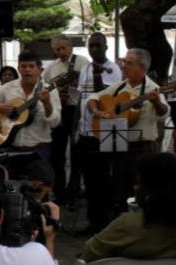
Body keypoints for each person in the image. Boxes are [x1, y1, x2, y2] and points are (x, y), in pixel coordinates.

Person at [87, 48, 169, 214]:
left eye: (129, 64)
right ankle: (119, 220)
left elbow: (163, 114)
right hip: (119, 144)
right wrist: (98, 112)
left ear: (142, 68)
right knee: (117, 188)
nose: (123, 66)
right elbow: (93, 97)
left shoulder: (153, 89)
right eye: (124, 62)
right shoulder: (120, 86)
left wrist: (156, 103)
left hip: (142, 147)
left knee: (140, 189)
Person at [0, 50, 61, 178]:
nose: (27, 70)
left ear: (40, 69)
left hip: (39, 151)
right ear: (19, 68)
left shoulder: (49, 90)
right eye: (23, 66)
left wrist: (47, 103)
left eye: (31, 66)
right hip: (13, 151)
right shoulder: (8, 88)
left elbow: (55, 122)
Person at [73, 32, 122, 234]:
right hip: (85, 132)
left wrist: (98, 75)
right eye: (91, 46)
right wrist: (74, 128)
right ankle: (94, 221)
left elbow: (107, 98)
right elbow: (81, 99)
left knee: (105, 179)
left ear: (106, 47)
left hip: (105, 132)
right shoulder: (84, 69)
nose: (94, 49)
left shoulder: (114, 69)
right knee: (90, 180)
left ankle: (106, 222)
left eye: (98, 46)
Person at [42, 35, 89, 204]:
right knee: (57, 154)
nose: (60, 52)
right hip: (59, 111)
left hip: (76, 110)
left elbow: (90, 86)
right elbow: (45, 85)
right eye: (57, 49)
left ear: (70, 47)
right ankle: (60, 192)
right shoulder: (52, 67)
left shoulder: (82, 62)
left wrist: (76, 82)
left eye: (63, 48)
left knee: (77, 152)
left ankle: (74, 191)